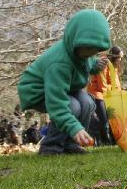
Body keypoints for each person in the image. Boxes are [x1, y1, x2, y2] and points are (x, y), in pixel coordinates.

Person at [17, 9, 111, 155]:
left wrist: (94, 65)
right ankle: (51, 147)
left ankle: (70, 144)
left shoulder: (82, 54)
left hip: (66, 88)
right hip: (38, 91)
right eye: (88, 48)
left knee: (87, 102)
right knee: (72, 105)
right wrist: (74, 127)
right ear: (75, 39)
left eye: (96, 50)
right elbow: (57, 104)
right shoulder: (60, 63)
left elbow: (84, 64)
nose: (90, 54)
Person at [86, 45, 123, 145]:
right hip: (97, 95)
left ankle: (112, 140)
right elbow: (103, 85)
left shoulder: (113, 66)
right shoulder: (104, 63)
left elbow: (114, 82)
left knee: (112, 118)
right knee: (104, 119)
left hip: (108, 95)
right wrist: (112, 93)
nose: (120, 60)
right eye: (119, 57)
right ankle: (105, 141)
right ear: (114, 56)